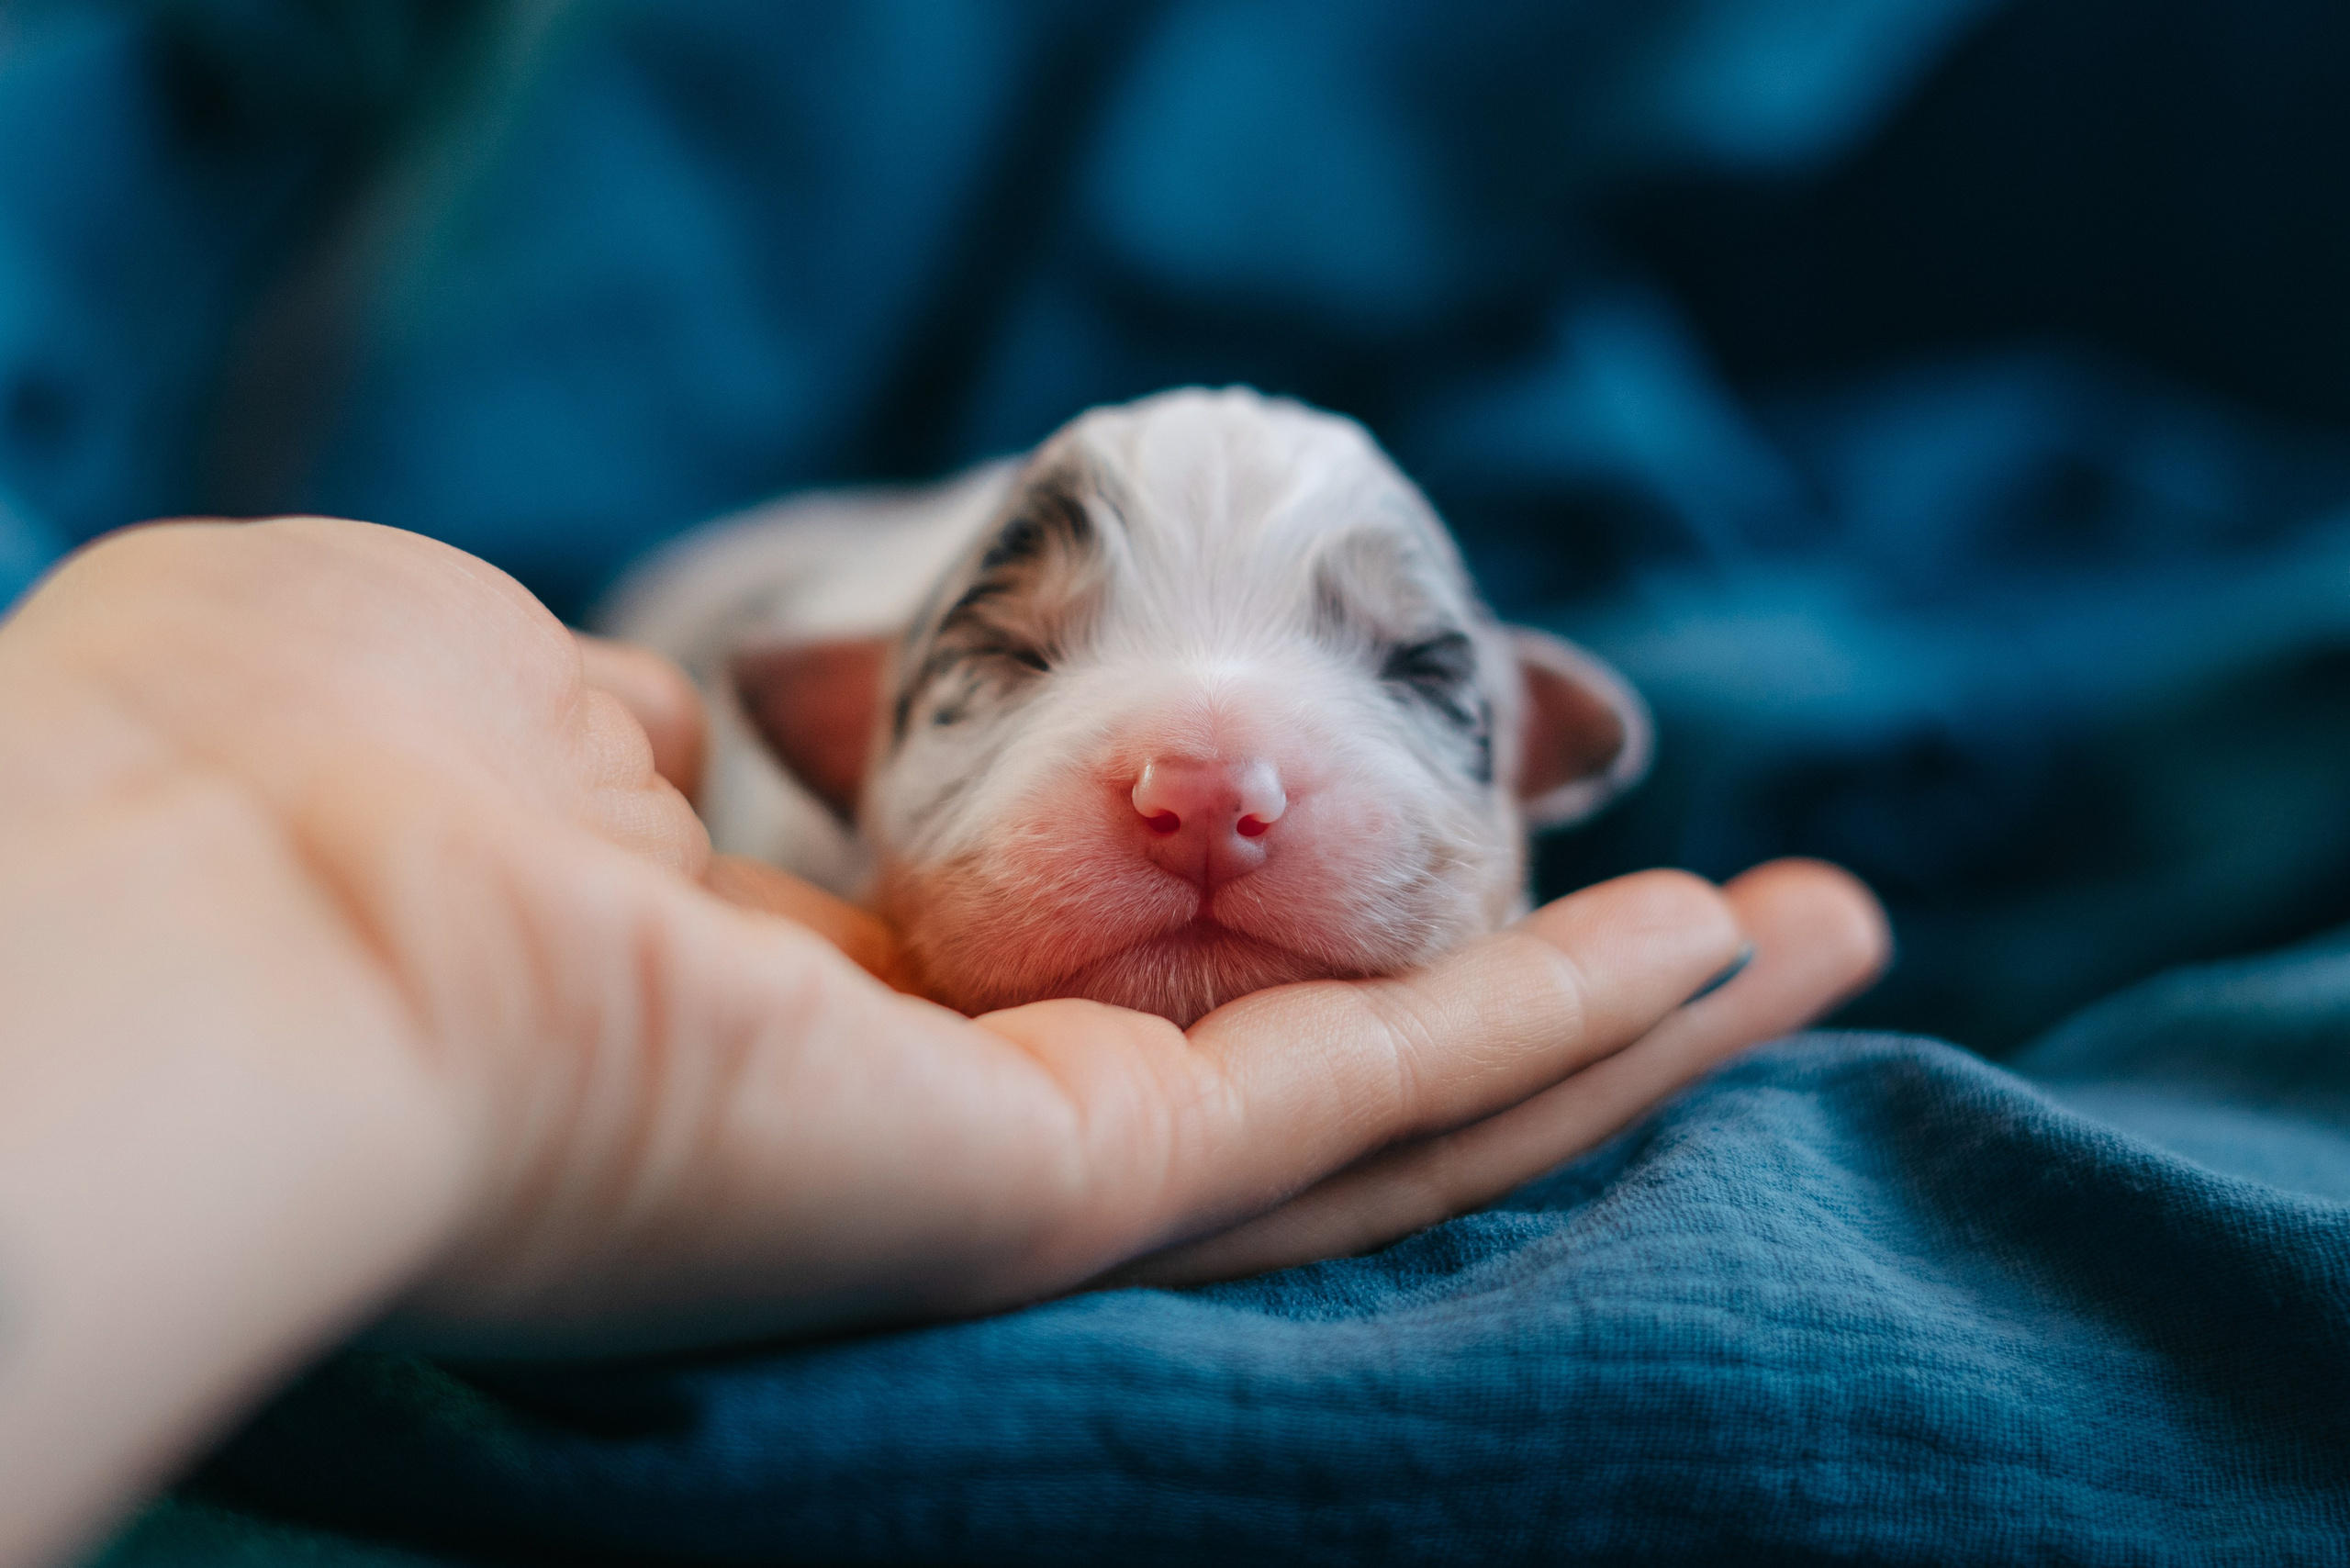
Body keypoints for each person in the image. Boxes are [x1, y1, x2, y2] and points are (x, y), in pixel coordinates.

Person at [0, 516, 1887, 1567]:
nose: (1206, 787)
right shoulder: (737, 695)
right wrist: (271, 872)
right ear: (842, 739)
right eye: (1021, 661)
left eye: (1398, 671)